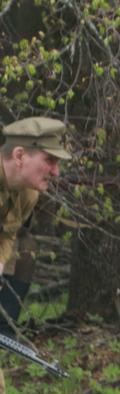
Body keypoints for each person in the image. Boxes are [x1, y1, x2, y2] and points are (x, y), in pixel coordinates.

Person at [0, 116, 73, 355]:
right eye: (50, 160)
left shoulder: (27, 193)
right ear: (19, 156)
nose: (56, 171)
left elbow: (8, 234)